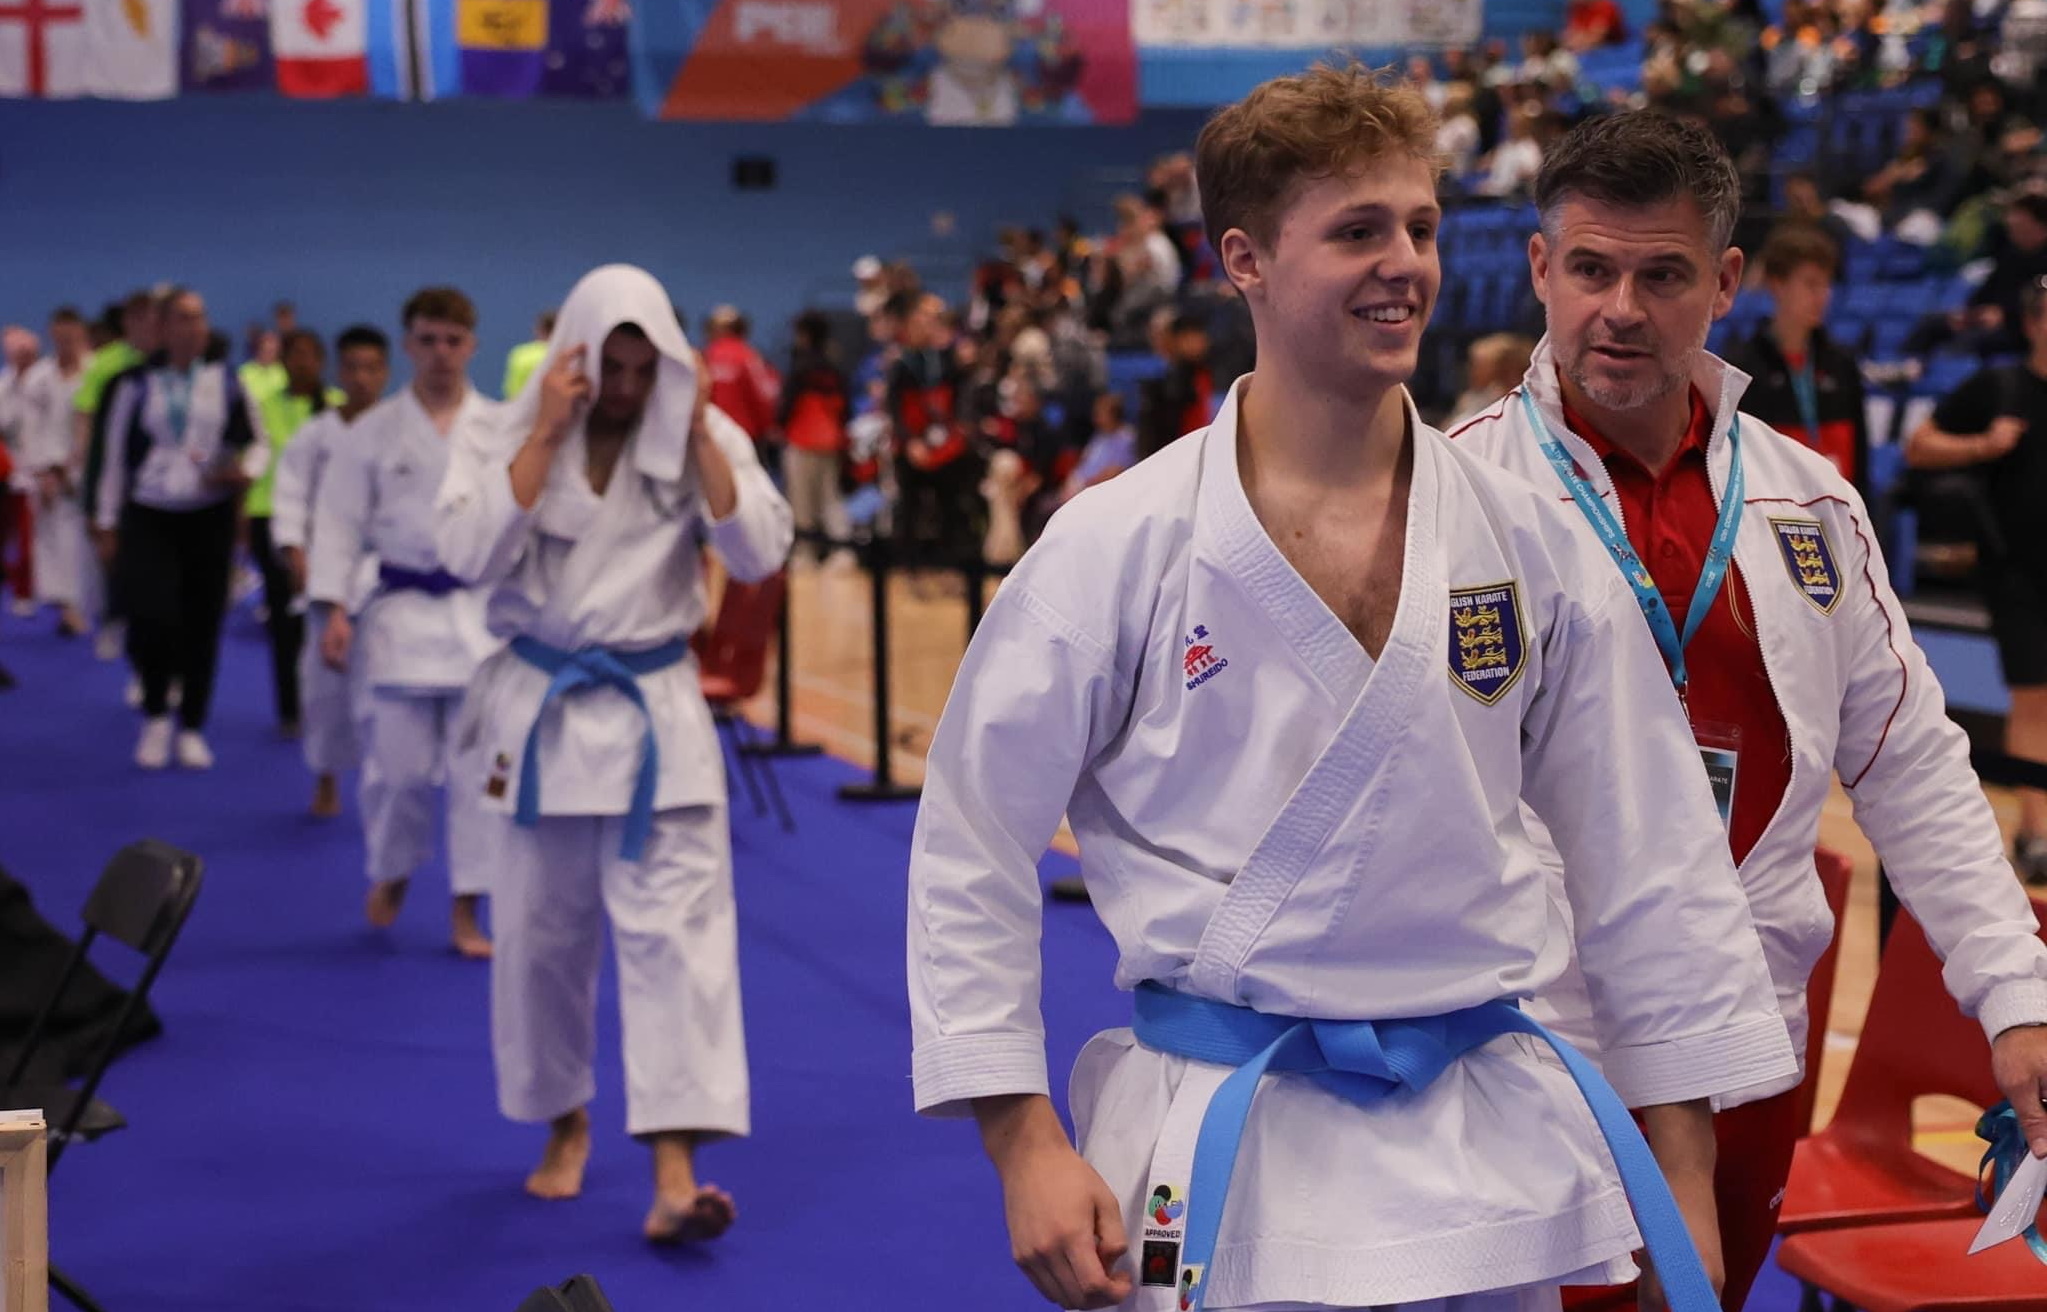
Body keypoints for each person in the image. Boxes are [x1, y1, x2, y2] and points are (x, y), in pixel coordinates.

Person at [909, 67, 1797, 1312]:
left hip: (1481, 1160)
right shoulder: (1118, 543)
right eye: (1357, 231)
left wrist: (1682, 1169)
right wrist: (1021, 1139)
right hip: (1228, 1137)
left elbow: (1651, 862)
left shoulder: (1525, 541)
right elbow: (971, 844)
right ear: (1244, 260)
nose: (1405, 264)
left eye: (1421, 228)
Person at [1449, 111, 2047, 1312]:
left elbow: (1912, 765)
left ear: (1723, 283)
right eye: (1591, 269)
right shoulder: (1451, 497)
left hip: (1750, 1024)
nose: (1621, 307)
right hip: (1538, 1035)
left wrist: (2017, 996)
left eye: (1661, 274)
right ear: (1538, 271)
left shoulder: (1806, 503)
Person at [433, 264, 792, 1243]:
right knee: (542, 944)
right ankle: (565, 1122)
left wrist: (702, 432)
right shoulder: (505, 428)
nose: (629, 389)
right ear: (574, 359)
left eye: (646, 368)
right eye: (613, 368)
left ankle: (675, 1173)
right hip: (541, 716)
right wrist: (547, 434)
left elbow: (761, 551)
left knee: (679, 947)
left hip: (653, 717)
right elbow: (464, 556)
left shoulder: (697, 433)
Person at [308, 288, 497, 958]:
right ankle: (392, 869)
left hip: (480, 619)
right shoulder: (374, 432)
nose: (441, 353)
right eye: (428, 340)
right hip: (400, 616)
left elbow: (522, 527)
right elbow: (337, 524)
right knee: (399, 771)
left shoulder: (500, 430)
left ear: (471, 346)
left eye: (453, 340)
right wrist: (335, 607)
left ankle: (468, 907)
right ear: (409, 346)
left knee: (481, 778)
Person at [1906, 276, 2047, 884]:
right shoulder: (2002, 385)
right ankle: (2035, 830)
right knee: (2034, 697)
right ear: (2034, 321)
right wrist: (1984, 446)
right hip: (2018, 569)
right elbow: (1919, 444)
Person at [92, 289, 259, 771]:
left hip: (208, 514)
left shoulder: (227, 380)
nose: (194, 326)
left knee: (203, 621)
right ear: (162, 328)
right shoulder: (134, 384)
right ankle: (156, 714)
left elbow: (259, 441)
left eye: (200, 317)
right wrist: (105, 521)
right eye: (182, 318)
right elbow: (113, 461)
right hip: (149, 512)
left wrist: (244, 471)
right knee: (150, 614)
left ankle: (191, 726)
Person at [272, 325, 391, 818]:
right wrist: (295, 551)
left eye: (372, 368)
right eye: (353, 368)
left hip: (389, 577)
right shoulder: (316, 433)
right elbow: (291, 494)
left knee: (389, 688)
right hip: (327, 574)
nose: (362, 379)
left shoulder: (401, 432)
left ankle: (385, 779)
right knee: (324, 689)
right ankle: (326, 778)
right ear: (339, 372)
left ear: (385, 373)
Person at [246, 330, 344, 737]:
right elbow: (251, 460)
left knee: (328, 618)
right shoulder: (262, 405)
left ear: (322, 361)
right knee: (285, 623)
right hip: (270, 518)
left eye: (310, 354)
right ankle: (290, 710)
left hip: (329, 525)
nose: (302, 362)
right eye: (294, 354)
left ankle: (333, 706)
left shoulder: (340, 408)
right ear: (282, 361)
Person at [1722, 223, 1868, 495]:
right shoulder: (1744, 367)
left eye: (1826, 284)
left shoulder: (1842, 363)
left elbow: (1860, 459)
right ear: (1778, 285)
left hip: (1839, 507)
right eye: (1811, 284)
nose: (1822, 296)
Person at [77, 290, 163, 664]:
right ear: (125, 323)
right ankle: (115, 619)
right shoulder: (107, 365)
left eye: (152, 318)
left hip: (167, 492)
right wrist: (91, 491)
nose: (144, 326)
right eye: (136, 318)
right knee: (119, 565)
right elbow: (89, 425)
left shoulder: (176, 368)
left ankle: (162, 665)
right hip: (120, 488)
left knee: (162, 581)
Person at [13, 309, 94, 636]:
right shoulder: (38, 378)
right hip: (47, 470)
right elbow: (29, 431)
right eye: (59, 338)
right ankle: (67, 608)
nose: (66, 343)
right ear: (51, 336)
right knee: (52, 540)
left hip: (84, 469)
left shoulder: (94, 372)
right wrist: (42, 471)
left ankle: (84, 606)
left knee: (82, 541)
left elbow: (94, 424)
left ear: (81, 335)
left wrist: (76, 465)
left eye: (71, 337)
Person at [777, 310, 852, 567]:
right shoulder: (834, 367)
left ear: (804, 335)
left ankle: (805, 555)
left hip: (801, 439)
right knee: (831, 498)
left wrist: (779, 426)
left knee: (801, 501)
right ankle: (844, 552)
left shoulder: (800, 366)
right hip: (830, 441)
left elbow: (786, 405)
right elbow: (846, 407)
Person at [504, 311, 557, 402]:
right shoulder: (566, 355)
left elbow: (511, 392)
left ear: (539, 330)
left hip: (523, 411)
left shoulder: (520, 354)